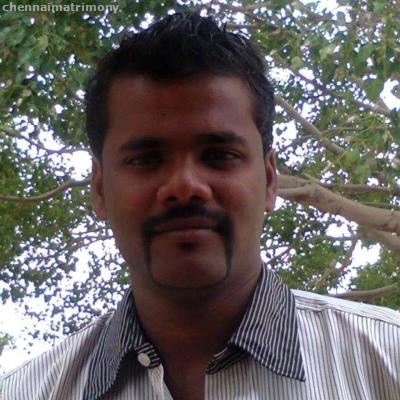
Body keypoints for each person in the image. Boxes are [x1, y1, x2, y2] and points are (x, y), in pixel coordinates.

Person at [1, 12, 399, 400]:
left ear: (269, 180)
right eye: (145, 159)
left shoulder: (389, 361)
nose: (185, 186)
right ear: (100, 189)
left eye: (220, 155)